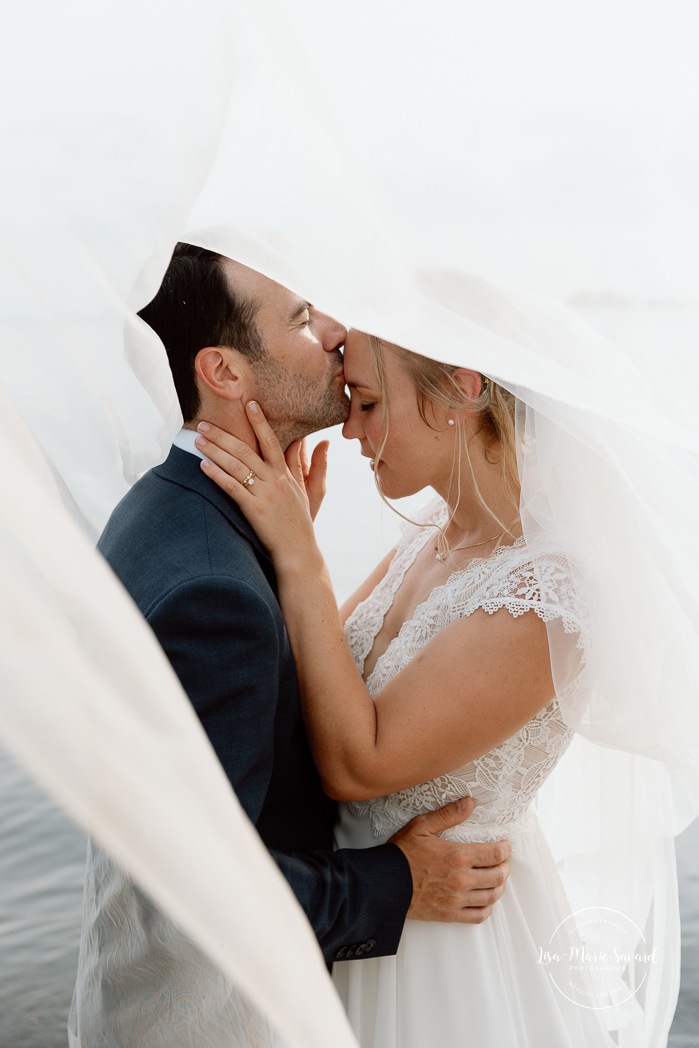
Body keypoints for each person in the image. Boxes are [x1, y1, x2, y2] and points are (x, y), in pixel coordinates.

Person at [69, 244, 512, 1047]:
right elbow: (199, 891)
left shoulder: (167, 507)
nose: (336, 332)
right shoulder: (214, 585)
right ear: (224, 371)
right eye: (302, 318)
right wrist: (397, 881)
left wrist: (292, 558)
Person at [198, 326, 617, 1047]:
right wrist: (285, 546)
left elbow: (358, 763)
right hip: (369, 909)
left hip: (449, 955)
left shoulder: (547, 596)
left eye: (366, 403)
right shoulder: (434, 533)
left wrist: (301, 555)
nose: (349, 429)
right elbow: (319, 685)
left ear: (461, 389)